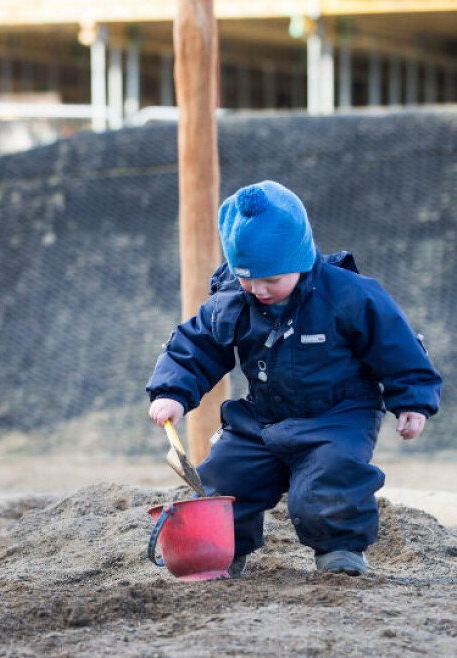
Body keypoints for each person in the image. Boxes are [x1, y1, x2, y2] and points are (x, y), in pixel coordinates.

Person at [146, 180, 441, 578]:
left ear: (300, 259)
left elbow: (396, 345)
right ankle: (223, 551)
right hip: (263, 418)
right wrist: (172, 392)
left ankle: (339, 553)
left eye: (272, 279)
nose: (259, 289)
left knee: (329, 480)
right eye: (248, 278)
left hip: (337, 416)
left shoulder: (347, 294)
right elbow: (195, 345)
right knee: (224, 477)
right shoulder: (235, 298)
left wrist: (413, 400)